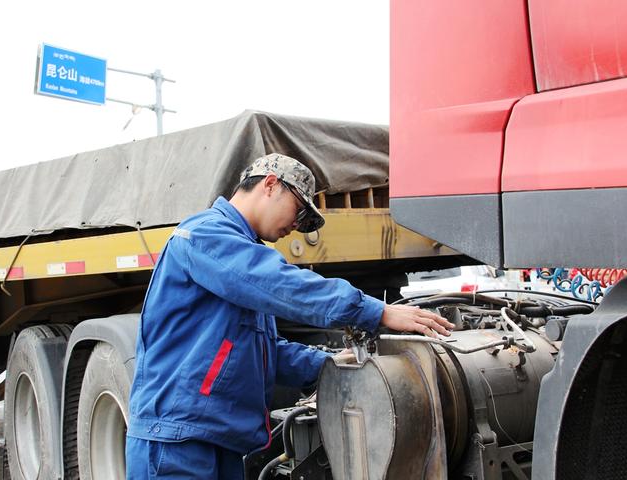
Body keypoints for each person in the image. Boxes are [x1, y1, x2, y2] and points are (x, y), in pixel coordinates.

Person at [126, 153, 454, 479]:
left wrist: (328, 365)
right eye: (298, 210)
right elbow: (282, 285)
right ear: (270, 185)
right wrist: (375, 311)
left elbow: (261, 352)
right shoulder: (204, 235)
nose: (296, 226)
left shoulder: (238, 251)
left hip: (213, 439)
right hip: (176, 442)